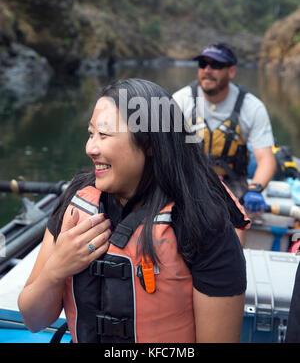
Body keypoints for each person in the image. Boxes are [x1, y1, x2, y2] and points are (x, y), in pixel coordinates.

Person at [18, 78, 250, 343]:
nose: (90, 148)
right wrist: (56, 268)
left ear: (150, 143)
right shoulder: (77, 200)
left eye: (104, 135)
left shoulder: (202, 221)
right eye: (91, 133)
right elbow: (34, 320)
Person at [172, 43, 277, 216]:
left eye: (216, 65)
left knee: (234, 218)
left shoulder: (252, 107)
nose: (207, 70)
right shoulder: (180, 101)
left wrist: (255, 189)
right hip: (190, 179)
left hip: (233, 182)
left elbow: (266, 159)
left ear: (231, 71)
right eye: (203, 64)